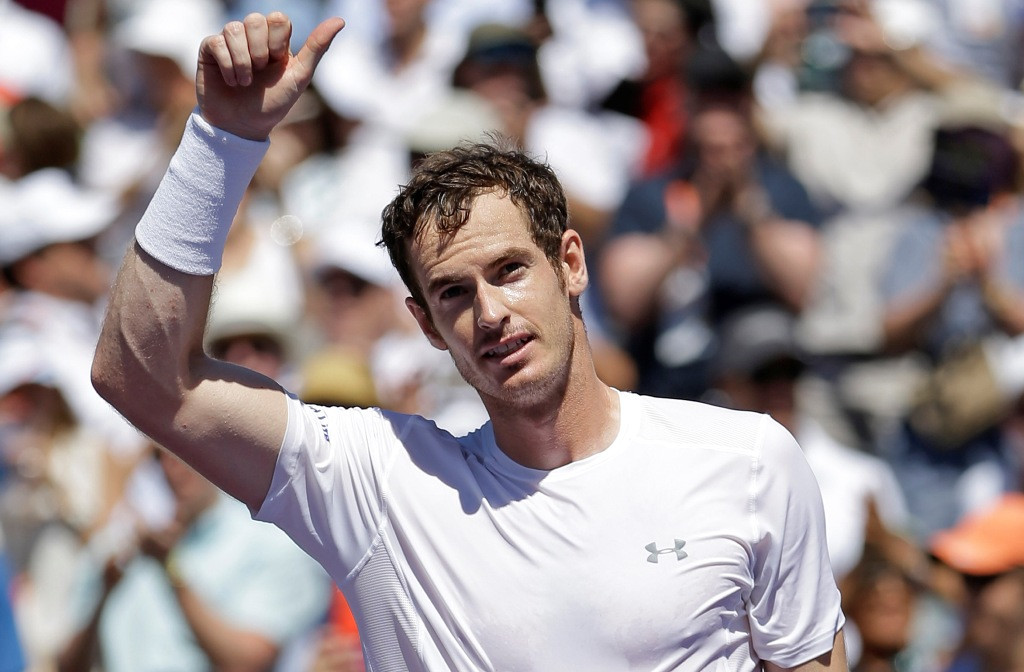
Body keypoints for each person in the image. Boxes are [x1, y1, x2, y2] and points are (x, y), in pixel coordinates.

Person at [91, 12, 848, 670]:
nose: (490, 313)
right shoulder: (380, 483)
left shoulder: (747, 461)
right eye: (454, 293)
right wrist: (221, 141)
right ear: (423, 324)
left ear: (571, 264)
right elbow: (140, 372)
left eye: (511, 270)